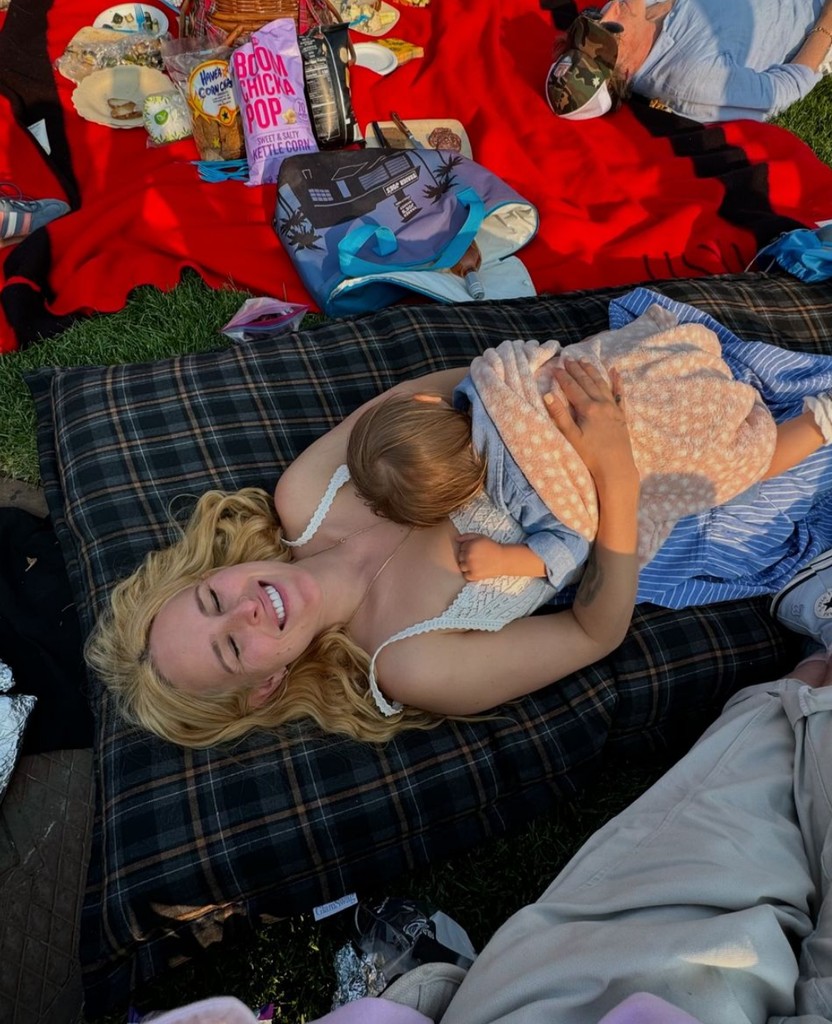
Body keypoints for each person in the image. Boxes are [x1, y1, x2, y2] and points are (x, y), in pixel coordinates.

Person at [86, 358, 642, 748]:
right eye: (232, 646)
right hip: (645, 489)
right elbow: (595, 632)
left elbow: (441, 390)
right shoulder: (414, 663)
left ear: (214, 569)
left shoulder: (305, 492)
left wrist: (549, 385)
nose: (244, 609)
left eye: (212, 598)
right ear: (266, 686)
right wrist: (614, 464)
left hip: (577, 381)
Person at [432, 564, 832, 1023]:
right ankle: (816, 671)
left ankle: (815, 666)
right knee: (728, 837)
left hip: (571, 986)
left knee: (722, 816)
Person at [347, 297, 832, 594]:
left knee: (746, 463)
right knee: (606, 356)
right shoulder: (493, 377)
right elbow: (550, 354)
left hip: (693, 433)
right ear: (429, 400)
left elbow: (569, 547)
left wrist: (503, 559)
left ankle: (817, 424)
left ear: (456, 500)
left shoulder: (526, 493)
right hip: (673, 366)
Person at [546, 0, 832, 123]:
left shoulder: (640, 14)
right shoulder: (688, 77)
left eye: (594, 19)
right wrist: (827, 23)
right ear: (629, 71)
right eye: (611, 33)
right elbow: (784, 89)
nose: (610, 13)